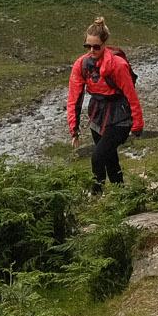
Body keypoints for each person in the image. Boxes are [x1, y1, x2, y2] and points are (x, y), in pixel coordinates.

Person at [66, 17, 143, 190]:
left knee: (97, 157)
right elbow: (74, 97)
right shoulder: (82, 64)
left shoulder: (118, 65)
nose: (91, 50)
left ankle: (96, 194)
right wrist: (74, 129)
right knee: (110, 160)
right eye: (88, 46)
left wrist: (137, 124)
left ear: (104, 43)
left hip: (120, 117)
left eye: (96, 47)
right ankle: (121, 195)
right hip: (97, 116)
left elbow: (131, 96)